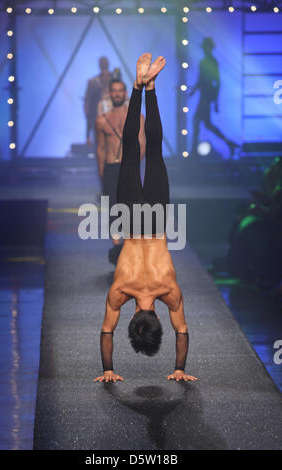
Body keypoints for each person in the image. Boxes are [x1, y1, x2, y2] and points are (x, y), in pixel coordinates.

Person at [94, 53, 198, 384]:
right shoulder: (119, 291)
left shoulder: (170, 291)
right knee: (131, 150)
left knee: (152, 150)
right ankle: (142, 85)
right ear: (135, 316)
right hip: (131, 218)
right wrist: (108, 369)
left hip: (155, 218)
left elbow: (181, 331)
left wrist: (179, 367)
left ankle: (148, 87)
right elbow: (106, 331)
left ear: (157, 318)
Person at [96, 79, 146, 264]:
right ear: (110, 94)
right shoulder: (102, 120)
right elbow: (101, 148)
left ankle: (128, 246)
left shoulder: (137, 118)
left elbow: (142, 144)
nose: (117, 94)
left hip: (129, 168)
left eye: (120, 91)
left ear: (125, 94)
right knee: (113, 209)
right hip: (110, 168)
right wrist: (101, 171)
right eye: (114, 91)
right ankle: (117, 249)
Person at [189, 37, 238, 158]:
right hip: (205, 96)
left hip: (207, 96)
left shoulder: (210, 62)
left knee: (198, 121)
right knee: (206, 124)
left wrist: (215, 101)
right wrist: (195, 91)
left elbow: (216, 81)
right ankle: (229, 143)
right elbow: (202, 80)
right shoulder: (205, 61)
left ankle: (194, 151)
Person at [84, 56, 113, 146]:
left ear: (108, 64)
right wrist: (87, 112)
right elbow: (87, 100)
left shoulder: (115, 80)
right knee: (99, 143)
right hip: (96, 116)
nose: (103, 64)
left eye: (105, 62)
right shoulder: (92, 82)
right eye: (101, 62)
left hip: (112, 116)